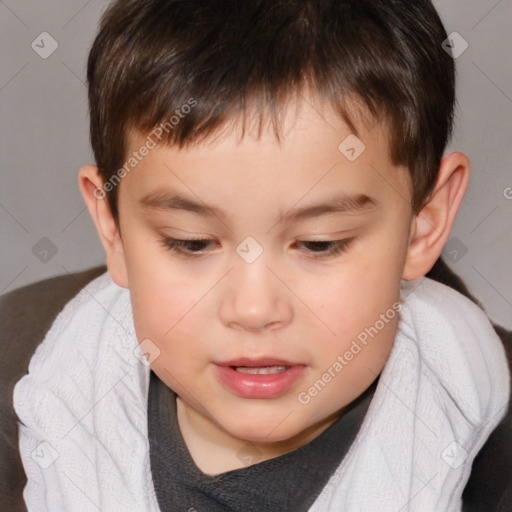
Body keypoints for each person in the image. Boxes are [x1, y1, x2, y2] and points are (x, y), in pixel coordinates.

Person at [12, 1, 510, 510]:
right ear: (113, 228)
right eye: (191, 242)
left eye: (320, 244)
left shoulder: (475, 427)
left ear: (423, 223)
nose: (253, 309)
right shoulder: (35, 373)